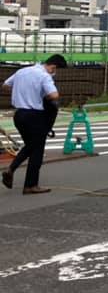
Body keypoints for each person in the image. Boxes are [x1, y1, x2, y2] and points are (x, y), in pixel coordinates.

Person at [1, 54, 66, 194]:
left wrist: (21, 93)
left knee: (30, 146)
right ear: (53, 67)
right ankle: (30, 185)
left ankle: (11, 169)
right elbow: (54, 96)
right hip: (34, 116)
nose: (55, 73)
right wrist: (43, 96)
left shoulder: (22, 71)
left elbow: (5, 85)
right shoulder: (44, 76)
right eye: (56, 70)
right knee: (37, 150)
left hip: (19, 115)